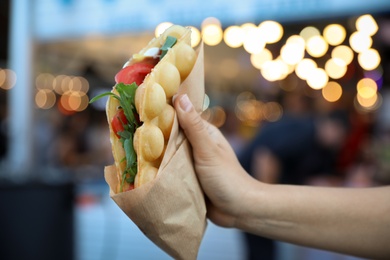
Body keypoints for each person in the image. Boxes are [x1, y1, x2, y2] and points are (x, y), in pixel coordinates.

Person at [172, 94, 390, 260]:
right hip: (247, 176)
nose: (337, 141)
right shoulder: (305, 132)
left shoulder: (325, 148)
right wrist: (262, 194)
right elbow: (266, 157)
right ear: (330, 126)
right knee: (262, 249)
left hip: (255, 198)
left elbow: (316, 176)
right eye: (338, 135)